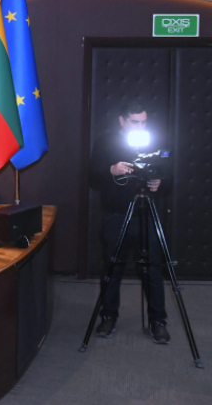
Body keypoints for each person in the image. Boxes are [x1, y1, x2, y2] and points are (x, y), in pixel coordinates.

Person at [89, 102, 168, 344]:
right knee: (112, 268)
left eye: (144, 122)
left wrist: (160, 183)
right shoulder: (106, 142)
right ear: (122, 120)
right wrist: (111, 170)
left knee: (152, 270)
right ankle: (108, 317)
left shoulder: (155, 142)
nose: (140, 127)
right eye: (135, 122)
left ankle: (158, 322)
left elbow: (170, 175)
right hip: (115, 215)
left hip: (146, 214)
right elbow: (92, 178)